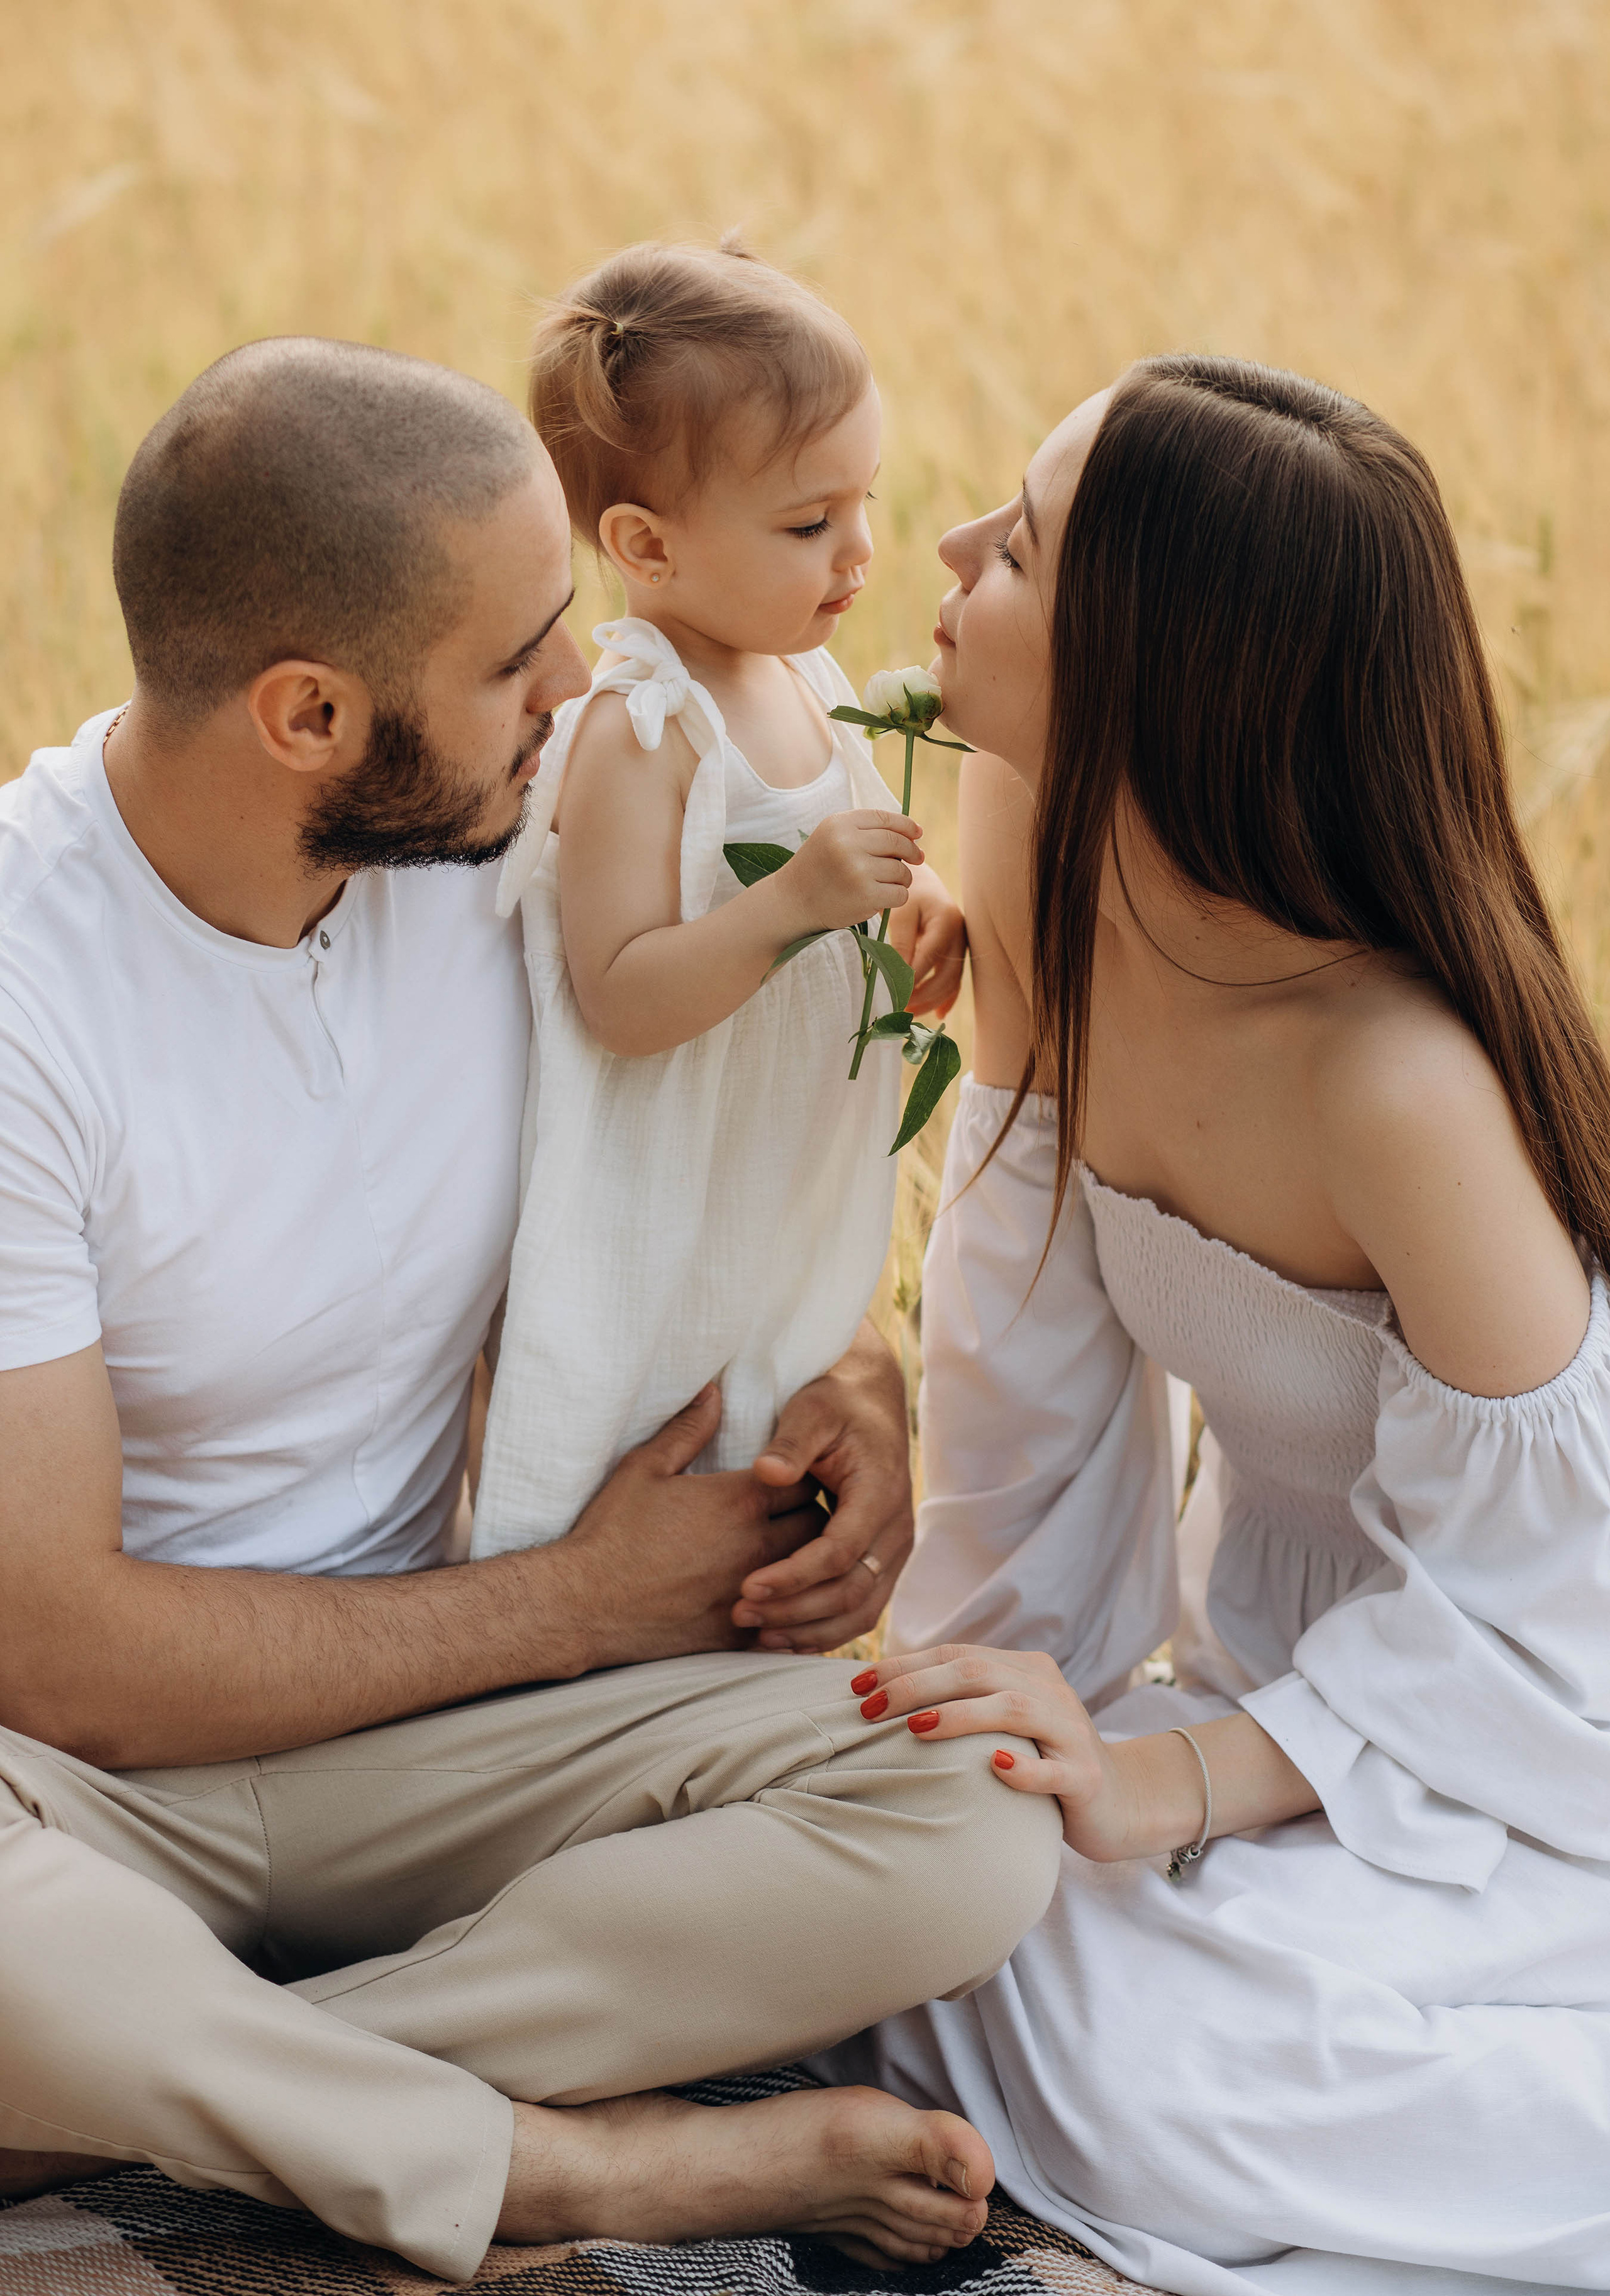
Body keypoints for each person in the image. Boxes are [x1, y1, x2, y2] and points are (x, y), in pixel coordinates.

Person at [0, 336, 1061, 2282]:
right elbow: (64, 1659)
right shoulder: (22, 992)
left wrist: (854, 1381)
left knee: (977, 1806)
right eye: (515, 663)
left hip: (452, 1751)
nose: (577, 688)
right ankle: (581, 2165)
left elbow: (716, 1161)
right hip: (69, 1788)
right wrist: (583, 1598)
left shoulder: (508, 847)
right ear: (311, 714)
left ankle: (191, 2081)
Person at [814, 357, 1610, 2294]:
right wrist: (990, 1728)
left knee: (1150, 2056)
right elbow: (1034, 1384)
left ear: (1165, 674)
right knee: (938, 1914)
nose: (949, 552)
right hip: (1264, 1698)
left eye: (1026, 546)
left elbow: (1555, 1615)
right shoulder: (1028, 857)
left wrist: (1165, 1784)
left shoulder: (1400, 1085)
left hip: (1510, 1752)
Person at [474, 240, 964, 1556]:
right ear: (646, 544)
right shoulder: (645, 726)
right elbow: (620, 993)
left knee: (771, 1380)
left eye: (862, 500)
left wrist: (915, 906)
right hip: (665, 1155)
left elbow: (842, 847)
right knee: (649, 1405)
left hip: (769, 1163)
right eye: (808, 524)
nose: (858, 548)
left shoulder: (799, 679)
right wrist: (792, 903)